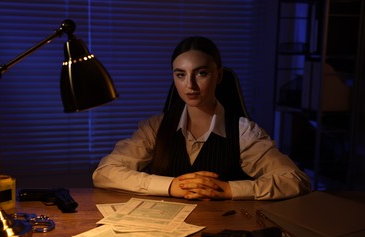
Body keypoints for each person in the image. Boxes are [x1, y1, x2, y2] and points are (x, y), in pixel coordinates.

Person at [93, 36, 312, 200]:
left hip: (222, 227)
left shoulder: (243, 131)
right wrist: (173, 186)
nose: (190, 85)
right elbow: (104, 173)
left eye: (201, 73)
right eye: (180, 75)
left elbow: (295, 179)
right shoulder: (155, 127)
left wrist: (227, 189)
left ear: (218, 76)